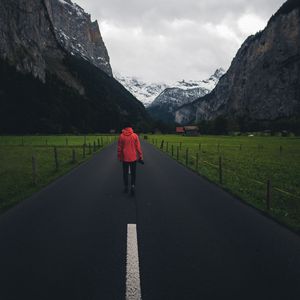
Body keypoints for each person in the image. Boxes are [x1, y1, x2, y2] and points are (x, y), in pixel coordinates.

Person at [118, 122, 144, 195]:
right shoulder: (135, 136)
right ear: (131, 127)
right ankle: (132, 186)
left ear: (124, 128)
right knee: (133, 173)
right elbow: (138, 147)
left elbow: (119, 148)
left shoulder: (121, 136)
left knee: (125, 173)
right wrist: (141, 156)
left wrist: (119, 157)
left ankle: (126, 187)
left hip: (125, 158)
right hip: (133, 158)